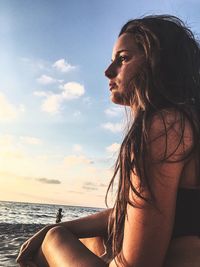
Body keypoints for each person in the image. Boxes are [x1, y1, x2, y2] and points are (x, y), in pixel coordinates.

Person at [16, 14, 200, 267]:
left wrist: (53, 234)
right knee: (95, 240)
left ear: (160, 64)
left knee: (53, 239)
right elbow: (135, 211)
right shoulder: (187, 121)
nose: (108, 72)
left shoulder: (163, 128)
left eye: (123, 59)